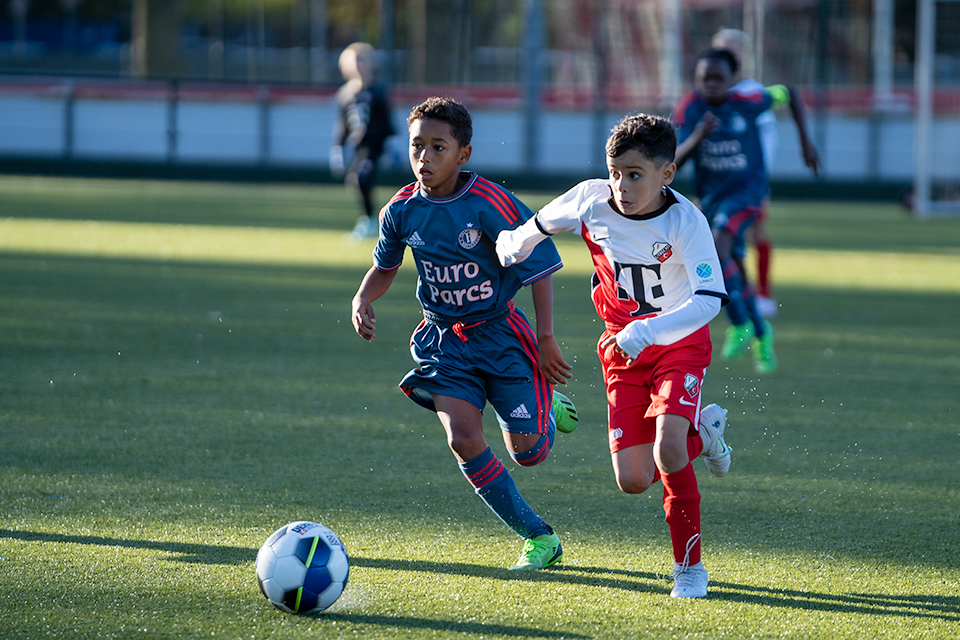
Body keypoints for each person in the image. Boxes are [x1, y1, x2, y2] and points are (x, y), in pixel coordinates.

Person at [496, 113, 731, 598]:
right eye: (615, 171)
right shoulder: (591, 198)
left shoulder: (687, 221)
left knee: (668, 448)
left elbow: (710, 298)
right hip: (620, 347)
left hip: (679, 343)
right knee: (634, 480)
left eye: (635, 174)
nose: (621, 184)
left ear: (666, 174)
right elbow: (541, 223)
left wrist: (649, 331)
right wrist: (512, 245)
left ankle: (689, 568)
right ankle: (703, 434)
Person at [351, 97, 578, 571]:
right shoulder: (401, 210)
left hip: (501, 336)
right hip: (445, 343)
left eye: (438, 147)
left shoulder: (489, 205)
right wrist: (363, 297)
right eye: (418, 146)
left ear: (463, 154)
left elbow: (538, 268)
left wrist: (546, 338)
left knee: (530, 454)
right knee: (463, 438)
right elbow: (385, 266)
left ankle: (545, 407)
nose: (425, 158)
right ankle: (539, 538)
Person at [674, 49, 818, 374]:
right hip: (712, 199)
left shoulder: (749, 101)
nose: (710, 84)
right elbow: (675, 161)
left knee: (717, 245)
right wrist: (698, 136)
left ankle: (739, 324)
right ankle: (763, 334)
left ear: (732, 80)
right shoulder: (690, 108)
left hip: (747, 194)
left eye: (717, 78)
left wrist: (805, 143)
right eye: (703, 78)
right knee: (733, 265)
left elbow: (789, 93)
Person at [711, 29, 821, 319]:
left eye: (733, 49)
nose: (728, 54)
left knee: (750, 232)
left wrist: (762, 177)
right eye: (722, 49)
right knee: (723, 239)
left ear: (743, 56)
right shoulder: (710, 93)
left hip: (750, 182)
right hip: (717, 182)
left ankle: (760, 296)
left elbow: (769, 132)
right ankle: (734, 298)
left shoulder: (753, 93)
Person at [331, 42, 395, 241]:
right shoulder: (345, 94)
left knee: (362, 177)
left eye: (362, 60)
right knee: (355, 180)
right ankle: (368, 219)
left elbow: (387, 120)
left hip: (375, 144)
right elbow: (343, 124)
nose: (358, 65)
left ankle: (369, 221)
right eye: (353, 61)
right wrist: (338, 149)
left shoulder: (378, 90)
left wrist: (393, 145)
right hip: (358, 146)